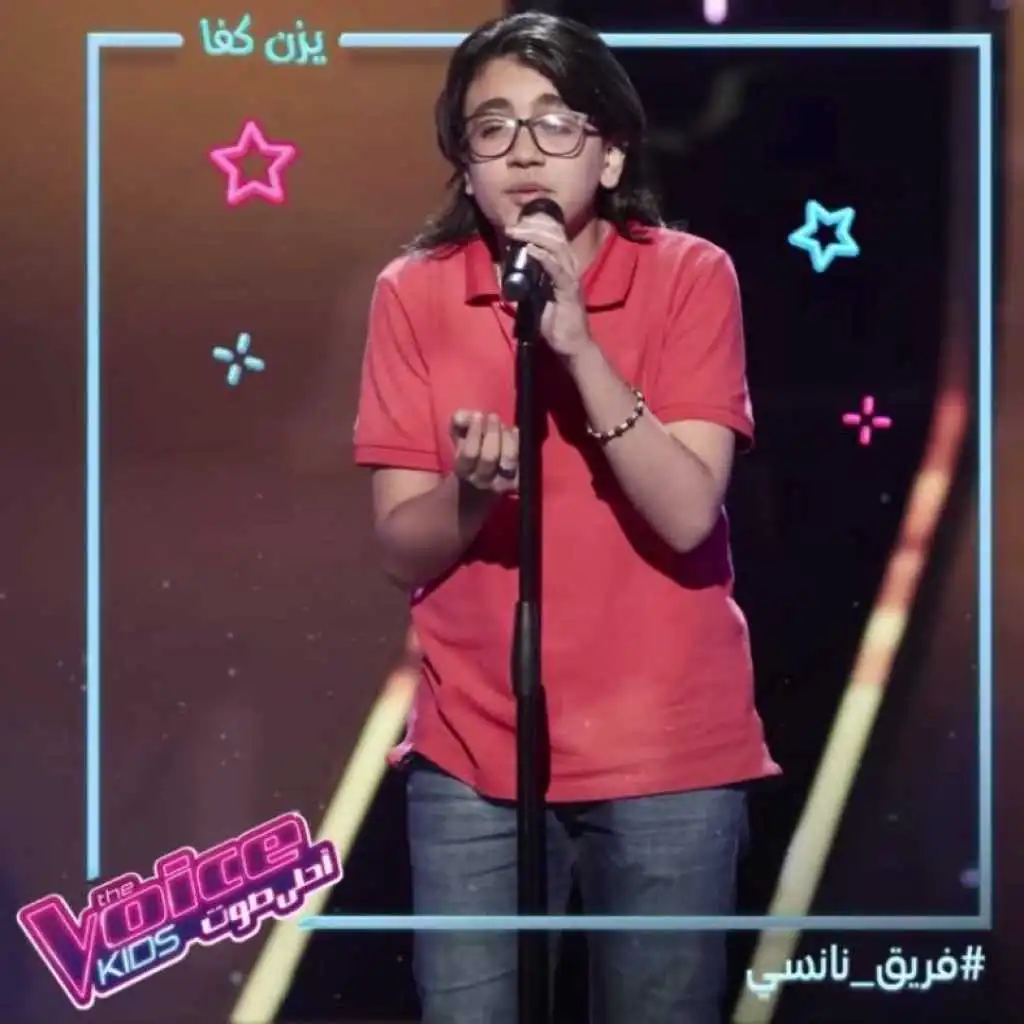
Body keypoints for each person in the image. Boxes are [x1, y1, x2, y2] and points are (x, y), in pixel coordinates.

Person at [353, 12, 780, 1023]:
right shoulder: (414, 294)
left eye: (555, 124)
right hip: (473, 753)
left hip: (667, 751)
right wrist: (471, 494)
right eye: (491, 128)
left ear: (610, 152)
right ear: (465, 166)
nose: (523, 152)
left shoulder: (690, 275)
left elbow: (687, 513)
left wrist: (579, 346)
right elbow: (399, 547)